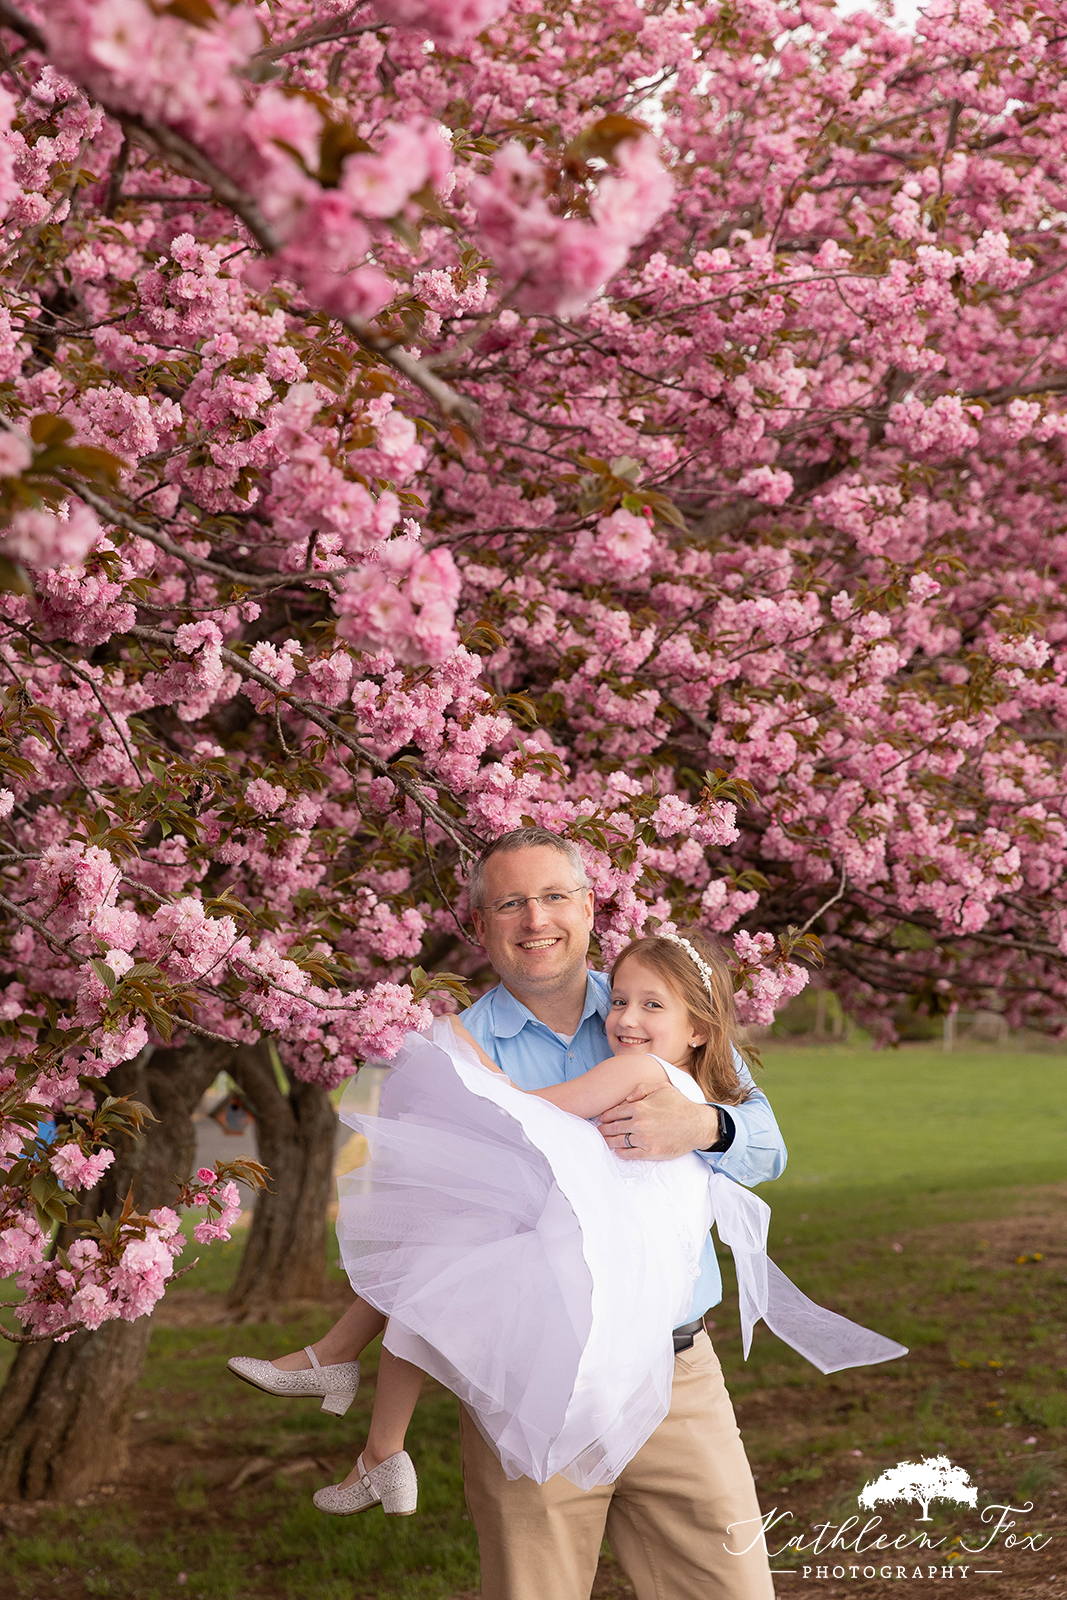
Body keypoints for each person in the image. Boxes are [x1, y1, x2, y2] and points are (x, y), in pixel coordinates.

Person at [227, 828, 789, 1600]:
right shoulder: (449, 1054)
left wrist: (706, 1127)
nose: (536, 920)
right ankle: (353, 1400)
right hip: (527, 1388)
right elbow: (425, 1224)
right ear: (479, 924)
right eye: (511, 903)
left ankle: (342, 1383)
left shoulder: (655, 1009)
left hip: (676, 1375)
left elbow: (766, 1147)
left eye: (555, 896)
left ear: (590, 906)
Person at [298, 931, 903, 1521]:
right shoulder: (678, 1066)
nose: (626, 1016)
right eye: (619, 1001)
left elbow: (531, 1115)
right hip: (577, 1315)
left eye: (650, 1005)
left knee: (433, 1275)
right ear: (481, 922)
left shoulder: (643, 1071)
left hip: (637, 1326)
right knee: (435, 1266)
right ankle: (365, 1416)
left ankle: (372, 1427)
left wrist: (456, 1055)